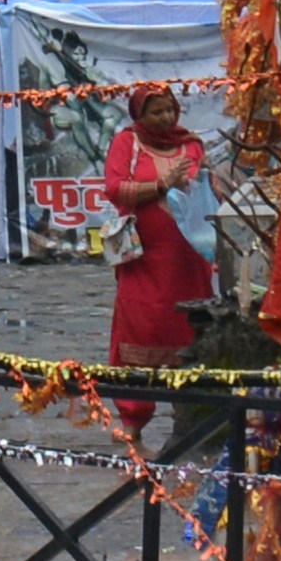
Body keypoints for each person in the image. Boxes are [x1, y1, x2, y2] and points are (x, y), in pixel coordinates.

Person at [99, 82, 221, 376]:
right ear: (139, 115)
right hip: (143, 259)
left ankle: (194, 409)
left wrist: (205, 178)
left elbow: (208, 197)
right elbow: (115, 190)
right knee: (142, 323)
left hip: (189, 258)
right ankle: (133, 416)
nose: (166, 118)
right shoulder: (127, 143)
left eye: (170, 110)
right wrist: (160, 185)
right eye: (157, 112)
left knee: (190, 324)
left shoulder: (191, 143)